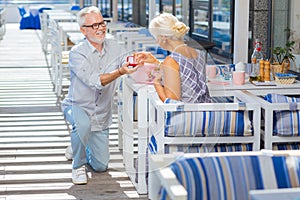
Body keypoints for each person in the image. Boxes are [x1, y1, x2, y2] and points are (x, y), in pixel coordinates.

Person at [61, 6, 140, 185]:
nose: (100, 28)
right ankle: (77, 166)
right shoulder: (77, 53)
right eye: (94, 25)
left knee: (100, 166)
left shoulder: (115, 46)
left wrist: (139, 60)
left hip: (101, 114)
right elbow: (95, 81)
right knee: (82, 124)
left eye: (102, 23)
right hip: (77, 106)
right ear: (83, 30)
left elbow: (127, 60)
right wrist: (120, 71)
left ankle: (79, 144)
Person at [135, 13, 211, 103]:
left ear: (163, 37)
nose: (156, 41)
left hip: (187, 114)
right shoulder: (198, 53)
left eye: (156, 37)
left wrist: (156, 82)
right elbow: (185, 73)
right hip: (205, 110)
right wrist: (156, 62)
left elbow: (172, 103)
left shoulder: (171, 61)